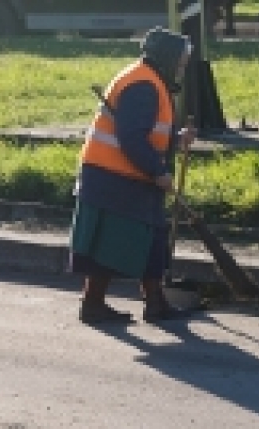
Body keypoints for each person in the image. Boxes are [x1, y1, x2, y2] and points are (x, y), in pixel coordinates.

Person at [68, 27, 197, 325]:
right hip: (112, 175)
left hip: (122, 173)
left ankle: (155, 302)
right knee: (109, 242)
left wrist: (177, 139)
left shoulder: (149, 79)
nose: (182, 68)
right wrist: (158, 170)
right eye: (180, 62)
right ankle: (94, 305)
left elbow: (147, 132)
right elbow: (132, 138)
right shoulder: (143, 86)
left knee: (151, 235)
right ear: (166, 59)